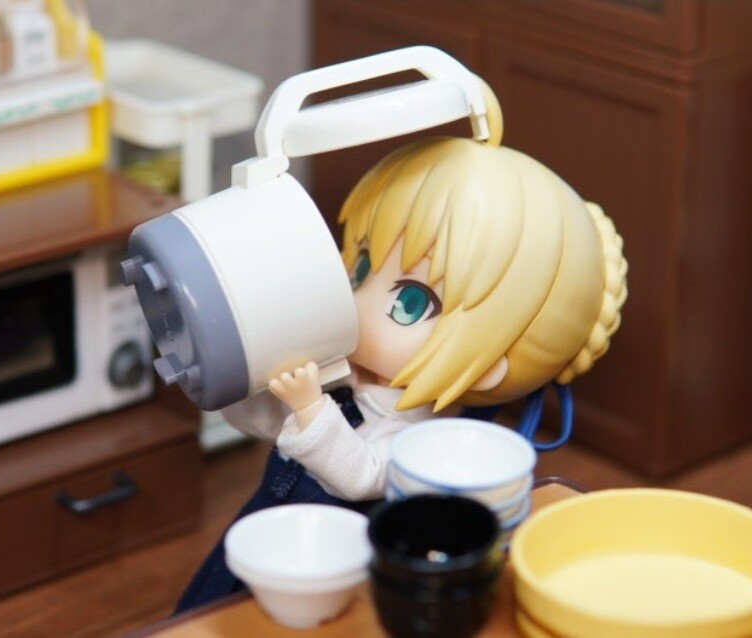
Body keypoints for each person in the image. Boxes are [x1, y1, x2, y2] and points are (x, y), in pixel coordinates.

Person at [174, 84, 627, 613]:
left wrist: (310, 408)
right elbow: (264, 423)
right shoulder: (343, 371)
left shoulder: (423, 439)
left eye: (410, 302)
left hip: (346, 569)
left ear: (487, 368)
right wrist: (242, 374)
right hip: (276, 535)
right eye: (360, 268)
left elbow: (361, 476)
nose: (356, 301)